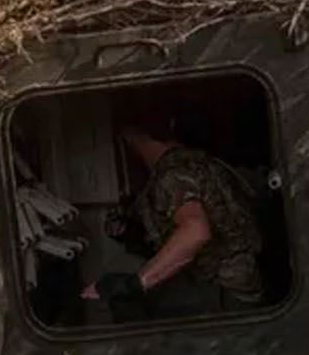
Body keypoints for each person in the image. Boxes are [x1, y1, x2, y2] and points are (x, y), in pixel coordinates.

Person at [81, 113, 264, 319]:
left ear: (129, 138)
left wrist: (136, 283)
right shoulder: (201, 162)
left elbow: (195, 231)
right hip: (240, 290)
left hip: (222, 298)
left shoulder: (172, 173)